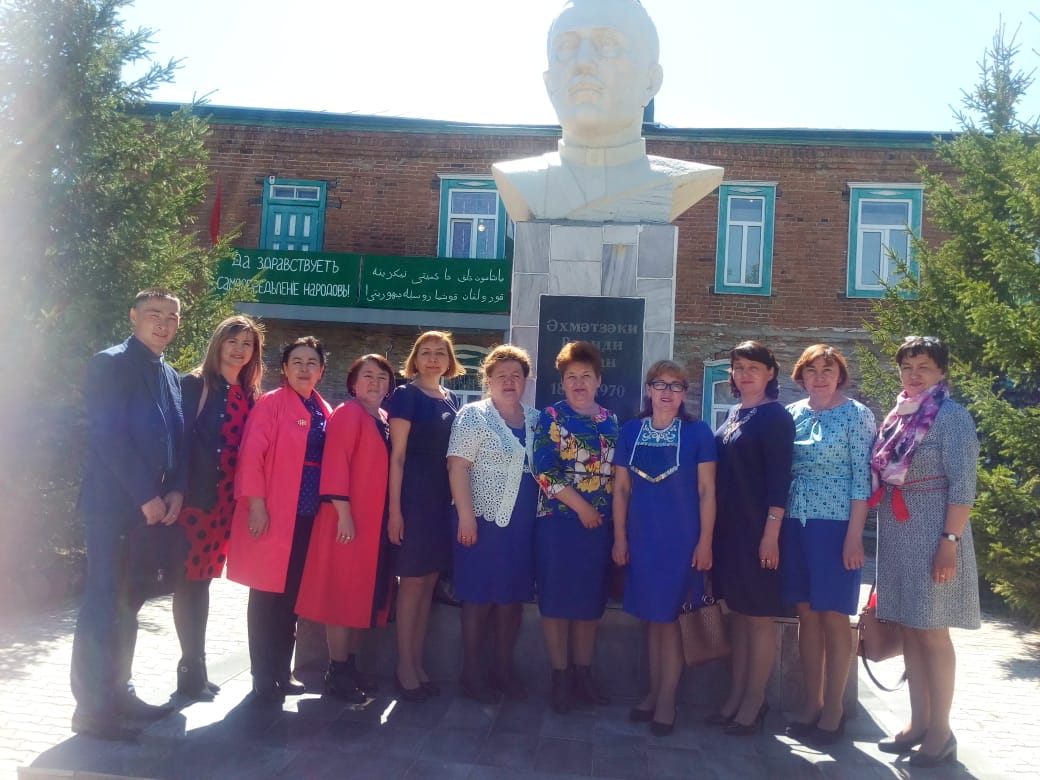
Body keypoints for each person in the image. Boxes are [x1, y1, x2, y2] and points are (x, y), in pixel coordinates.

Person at [70, 287, 186, 740]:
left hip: (151, 511)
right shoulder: (111, 364)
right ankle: (92, 710)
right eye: (154, 314)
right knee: (102, 603)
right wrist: (144, 494)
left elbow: (178, 437)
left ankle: (121, 692)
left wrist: (175, 490)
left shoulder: (170, 374)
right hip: (113, 507)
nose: (163, 323)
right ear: (134, 316)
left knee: (129, 603)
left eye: (172, 317)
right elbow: (108, 435)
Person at [492, 0, 722, 223]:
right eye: (565, 47)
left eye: (608, 43)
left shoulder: (673, 181)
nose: (583, 61)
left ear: (651, 82)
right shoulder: (522, 182)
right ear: (549, 84)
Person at [869, 336, 980, 768]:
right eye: (907, 367)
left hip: (935, 531)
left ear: (941, 372)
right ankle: (918, 723)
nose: (914, 375)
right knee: (911, 629)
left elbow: (963, 486)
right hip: (899, 531)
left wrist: (949, 542)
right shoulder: (899, 415)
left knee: (933, 632)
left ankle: (941, 732)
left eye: (924, 367)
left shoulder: (952, 417)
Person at [612, 360, 717, 736]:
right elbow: (620, 489)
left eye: (676, 385)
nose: (667, 392)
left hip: (682, 540)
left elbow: (707, 492)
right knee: (653, 620)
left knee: (672, 621)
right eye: (660, 384)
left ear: (685, 393)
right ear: (649, 389)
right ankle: (654, 692)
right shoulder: (630, 431)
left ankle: (667, 700)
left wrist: (705, 542)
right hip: (642, 538)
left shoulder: (698, 433)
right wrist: (620, 538)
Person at [226, 337, 332, 703]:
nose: (304, 368)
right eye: (297, 361)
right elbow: (251, 456)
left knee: (291, 598)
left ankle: (282, 671)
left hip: (308, 517)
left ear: (321, 370)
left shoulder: (324, 409)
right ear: (284, 368)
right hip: (274, 514)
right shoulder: (271, 404)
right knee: (266, 595)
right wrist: (256, 505)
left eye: (312, 362)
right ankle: (262, 674)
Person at [780, 345, 875, 744]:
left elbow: (862, 479)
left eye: (828, 370)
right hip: (795, 521)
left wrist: (854, 536)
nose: (819, 377)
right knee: (807, 614)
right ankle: (812, 702)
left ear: (840, 376)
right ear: (800, 376)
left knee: (834, 615)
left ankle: (834, 708)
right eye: (812, 370)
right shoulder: (791, 414)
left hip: (837, 526)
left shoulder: (856, 415)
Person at [173, 315, 264, 701]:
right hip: (196, 501)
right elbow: (176, 441)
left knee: (202, 582)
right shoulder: (196, 384)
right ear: (218, 343)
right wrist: (175, 491)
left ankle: (196, 668)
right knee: (190, 583)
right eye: (233, 341)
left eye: (247, 344)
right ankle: (190, 670)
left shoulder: (248, 393)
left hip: (226, 504)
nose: (239, 349)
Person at [296, 354, 396, 702]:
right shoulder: (348, 413)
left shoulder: (383, 418)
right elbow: (336, 463)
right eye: (367, 376)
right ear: (353, 383)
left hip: (371, 523)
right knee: (341, 596)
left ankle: (349, 666)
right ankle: (336, 671)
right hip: (346, 521)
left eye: (381, 377)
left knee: (358, 596)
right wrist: (344, 514)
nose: (375, 382)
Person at [709, 340, 795, 735]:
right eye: (739, 367)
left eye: (753, 368)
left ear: (770, 373)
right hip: (730, 533)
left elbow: (779, 483)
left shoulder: (775, 418)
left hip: (759, 533)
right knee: (739, 617)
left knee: (758, 618)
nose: (744, 374)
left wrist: (771, 534)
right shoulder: (735, 413)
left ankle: (755, 701)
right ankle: (736, 696)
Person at [447, 345, 541, 703]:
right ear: (488, 380)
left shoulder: (536, 420)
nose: (509, 381)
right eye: (501, 375)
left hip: (522, 527)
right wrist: (466, 516)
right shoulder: (473, 416)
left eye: (516, 375)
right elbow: (457, 466)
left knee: (511, 599)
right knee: (478, 597)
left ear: (526, 381)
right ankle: (471, 673)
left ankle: (503, 670)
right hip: (481, 523)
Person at [532, 341, 618, 713]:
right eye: (571, 377)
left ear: (598, 381)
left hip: (598, 528)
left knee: (589, 602)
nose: (579, 383)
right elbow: (543, 471)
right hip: (558, 524)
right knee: (555, 602)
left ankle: (583, 676)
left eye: (586, 376)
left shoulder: (612, 421)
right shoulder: (551, 417)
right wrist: (582, 508)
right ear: (563, 382)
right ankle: (560, 678)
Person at [387, 331, 465, 701]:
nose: (433, 359)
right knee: (412, 583)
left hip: (441, 499)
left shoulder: (451, 398)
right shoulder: (406, 395)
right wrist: (395, 510)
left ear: (449, 361)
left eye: (440, 353)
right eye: (426, 352)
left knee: (429, 582)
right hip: (414, 498)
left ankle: (417, 664)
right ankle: (404, 668)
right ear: (415, 359)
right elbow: (397, 456)